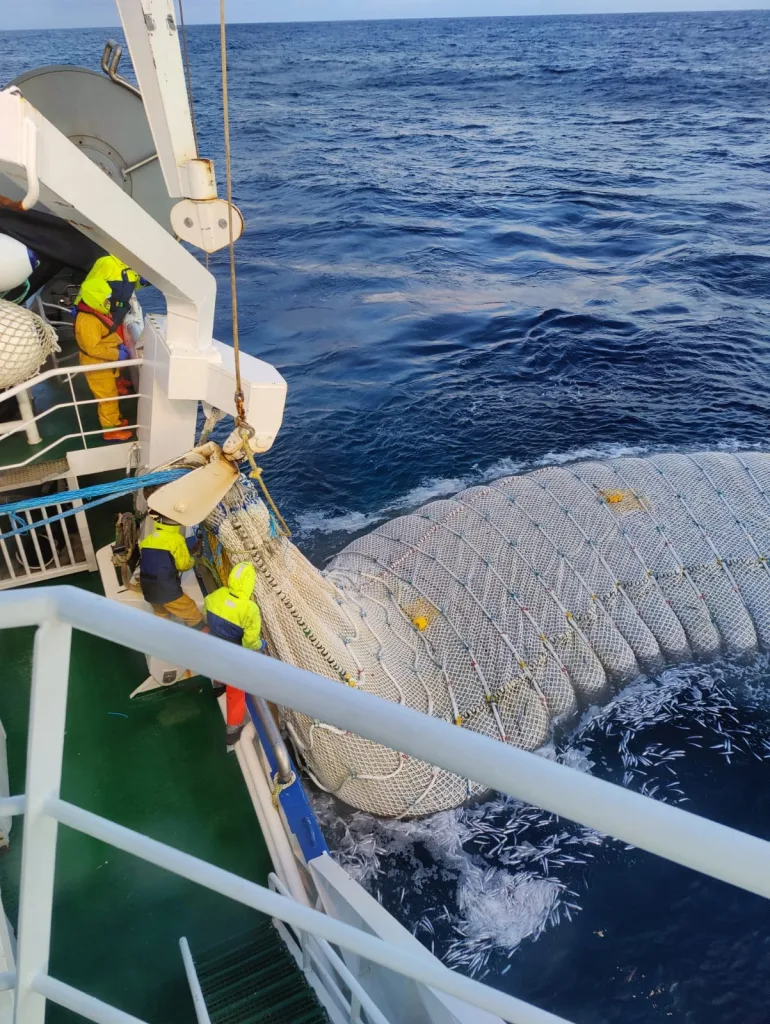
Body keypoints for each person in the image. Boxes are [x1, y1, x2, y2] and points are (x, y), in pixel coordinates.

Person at [74, 254, 143, 441]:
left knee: (111, 393)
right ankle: (110, 429)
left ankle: (114, 420)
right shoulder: (87, 321)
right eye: (106, 299)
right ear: (96, 300)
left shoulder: (93, 314)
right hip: (97, 364)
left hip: (104, 363)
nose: (108, 302)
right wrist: (116, 354)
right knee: (107, 397)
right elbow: (93, 348)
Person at [204, 562, 264, 748]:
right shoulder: (250, 609)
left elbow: (207, 612)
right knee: (236, 691)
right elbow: (250, 642)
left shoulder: (217, 595)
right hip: (232, 656)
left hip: (214, 648)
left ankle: (217, 686)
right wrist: (262, 644)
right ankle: (232, 731)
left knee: (217, 667)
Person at [138, 513, 205, 630]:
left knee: (161, 614)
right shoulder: (176, 539)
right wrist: (193, 560)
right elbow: (183, 565)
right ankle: (204, 640)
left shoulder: (147, 539)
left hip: (148, 589)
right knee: (191, 612)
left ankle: (163, 637)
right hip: (166, 590)